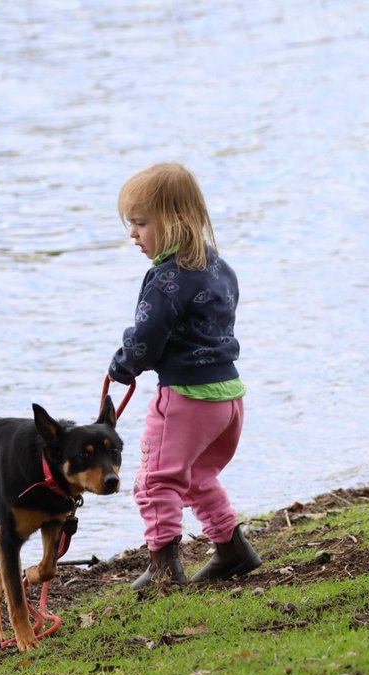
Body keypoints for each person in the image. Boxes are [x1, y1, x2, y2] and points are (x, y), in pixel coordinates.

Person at [106, 162, 261, 591]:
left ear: (173, 222)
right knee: (196, 476)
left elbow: (147, 338)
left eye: (140, 224)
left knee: (156, 479)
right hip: (228, 397)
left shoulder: (166, 278)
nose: (133, 234)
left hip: (188, 399)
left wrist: (123, 364)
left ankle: (162, 569)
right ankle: (233, 551)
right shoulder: (218, 266)